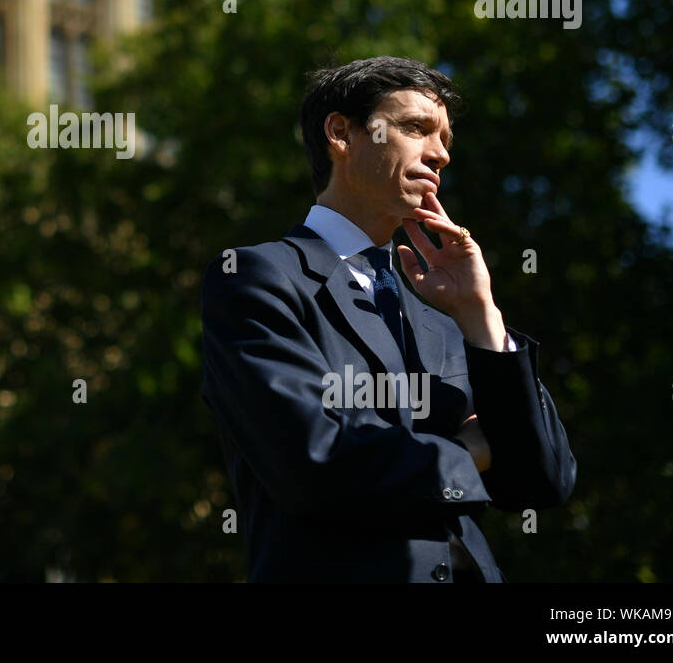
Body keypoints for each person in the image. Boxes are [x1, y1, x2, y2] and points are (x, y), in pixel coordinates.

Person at [200, 56, 577, 581]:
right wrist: (469, 450)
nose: (441, 153)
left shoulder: (446, 319)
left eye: (444, 137)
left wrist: (480, 311)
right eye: (415, 128)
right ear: (341, 133)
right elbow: (316, 464)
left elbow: (543, 478)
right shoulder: (258, 277)